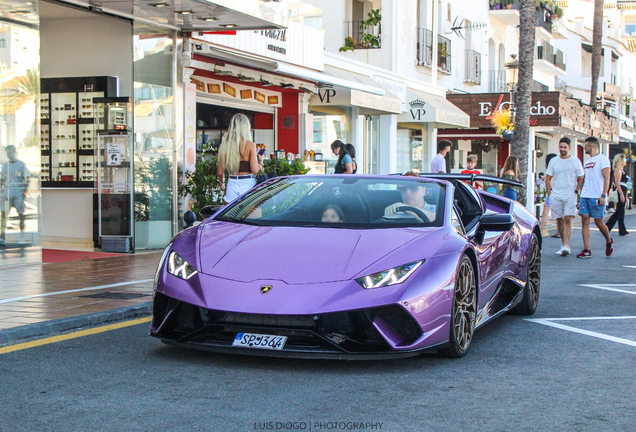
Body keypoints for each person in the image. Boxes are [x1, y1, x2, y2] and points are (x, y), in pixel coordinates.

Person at [545, 137, 584, 256]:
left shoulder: (575, 161)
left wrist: (577, 191)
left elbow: (581, 177)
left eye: (565, 147)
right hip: (556, 194)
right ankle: (564, 245)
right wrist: (549, 194)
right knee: (560, 220)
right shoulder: (554, 161)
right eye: (561, 147)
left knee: (568, 218)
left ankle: (566, 244)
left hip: (570, 194)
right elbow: (548, 178)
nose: (562, 149)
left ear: (569, 148)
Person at [577, 136, 613, 259]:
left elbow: (607, 178)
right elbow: (585, 178)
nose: (584, 147)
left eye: (586, 145)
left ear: (591, 146)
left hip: (597, 196)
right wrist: (579, 192)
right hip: (585, 195)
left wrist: (603, 195)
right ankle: (587, 249)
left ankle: (608, 240)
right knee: (585, 220)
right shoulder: (586, 162)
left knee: (599, 223)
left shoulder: (603, 159)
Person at [217, 114, 263, 203]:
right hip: (247, 184)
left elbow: (220, 171)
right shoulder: (250, 145)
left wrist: (222, 182)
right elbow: (255, 170)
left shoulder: (224, 145)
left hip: (232, 183)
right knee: (251, 214)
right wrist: (260, 162)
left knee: (230, 215)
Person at [1, 145, 30, 246]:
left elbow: (27, 178)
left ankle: (22, 236)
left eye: (10, 152)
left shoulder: (21, 165)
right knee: (3, 215)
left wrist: (24, 191)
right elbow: (2, 179)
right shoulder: (5, 166)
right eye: (7, 153)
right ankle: (2, 236)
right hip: (8, 192)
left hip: (18, 193)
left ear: (14, 152)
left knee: (21, 215)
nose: (9, 154)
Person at [605, 153, 629, 236]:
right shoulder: (618, 170)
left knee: (619, 211)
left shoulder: (623, 171)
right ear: (621, 161)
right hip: (620, 191)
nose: (626, 161)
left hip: (624, 190)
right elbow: (617, 183)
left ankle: (607, 227)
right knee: (620, 211)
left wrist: (626, 196)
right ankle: (622, 230)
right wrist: (621, 194)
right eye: (625, 159)